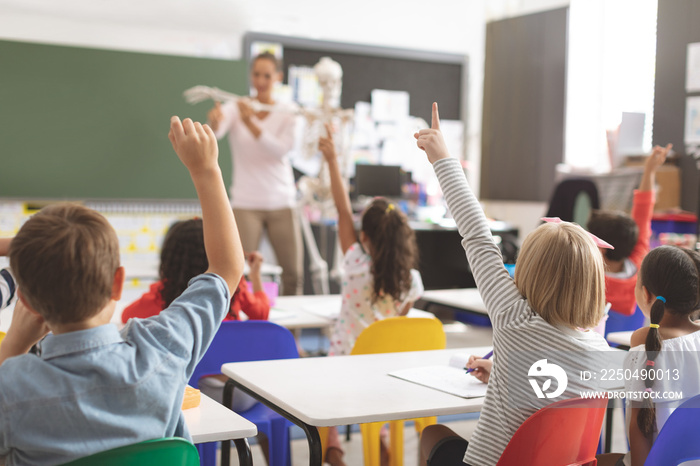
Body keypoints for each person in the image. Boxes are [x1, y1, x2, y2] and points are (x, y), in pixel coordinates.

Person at [0, 116, 244, 464]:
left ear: (24, 300)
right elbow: (226, 268)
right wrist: (206, 171)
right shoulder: (163, 347)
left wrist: (13, 346)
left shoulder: (12, 388)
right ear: (118, 282)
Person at [416, 103, 611, 466]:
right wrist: (506, 372)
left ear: (529, 271)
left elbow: (477, 235)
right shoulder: (600, 350)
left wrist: (443, 159)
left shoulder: (514, 319)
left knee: (432, 435)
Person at [208, 52, 302, 296]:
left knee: (293, 274)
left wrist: (251, 123)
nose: (260, 80)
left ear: (278, 77)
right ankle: (245, 329)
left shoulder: (289, 111)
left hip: (282, 201)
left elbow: (281, 150)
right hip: (245, 203)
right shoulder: (236, 107)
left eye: (267, 75)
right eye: (256, 74)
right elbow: (215, 134)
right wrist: (215, 122)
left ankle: (293, 335)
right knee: (237, 274)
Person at [597, 246, 700, 466]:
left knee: (593, 460)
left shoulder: (646, 341)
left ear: (646, 294)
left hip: (658, 461)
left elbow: (640, 426)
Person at [121, 218, 269, 323]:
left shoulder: (163, 294)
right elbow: (261, 314)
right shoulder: (232, 289)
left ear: (170, 259)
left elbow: (127, 316)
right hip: (225, 365)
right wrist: (255, 275)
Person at [587, 143, 672, 316]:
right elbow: (643, 212)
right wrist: (650, 171)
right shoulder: (639, 265)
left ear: (601, 249)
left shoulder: (589, 283)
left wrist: (649, 170)